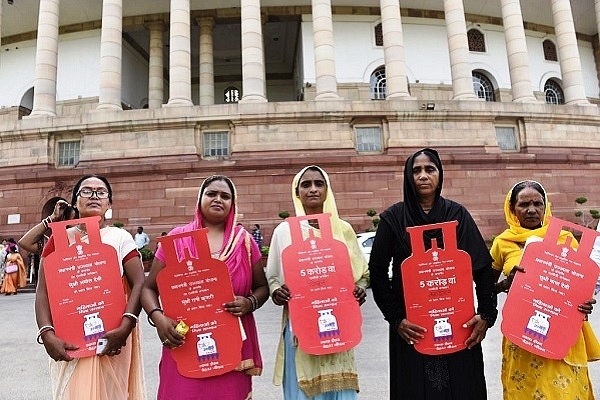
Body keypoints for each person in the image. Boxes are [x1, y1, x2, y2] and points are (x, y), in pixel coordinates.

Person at [368, 148, 497, 399]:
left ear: (440, 175)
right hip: (412, 328)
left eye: (430, 169)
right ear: (408, 176)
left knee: (461, 387)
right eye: (416, 170)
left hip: (459, 324)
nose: (423, 176)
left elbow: (481, 267)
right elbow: (378, 272)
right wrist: (396, 320)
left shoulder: (457, 215)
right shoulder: (394, 218)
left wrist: (486, 314)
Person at [141, 175, 268, 400]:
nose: (218, 199)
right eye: (211, 194)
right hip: (184, 341)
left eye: (225, 196)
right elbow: (149, 288)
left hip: (231, 346)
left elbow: (262, 287)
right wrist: (158, 318)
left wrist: (250, 303)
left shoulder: (244, 242)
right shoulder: (177, 240)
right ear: (200, 199)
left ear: (233, 203)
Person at [34, 175, 146, 400]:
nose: (94, 196)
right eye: (86, 191)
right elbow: (43, 291)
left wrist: (126, 327)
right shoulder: (60, 239)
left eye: (101, 192)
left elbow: (139, 283)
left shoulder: (120, 237)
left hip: (112, 338)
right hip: (70, 337)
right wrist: (46, 333)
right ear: (75, 201)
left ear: (109, 203)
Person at [266, 165, 369, 399]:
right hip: (300, 326)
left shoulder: (343, 230)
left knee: (339, 390)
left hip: (339, 323)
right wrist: (276, 291)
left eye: (319, 184)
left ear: (327, 190)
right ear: (297, 192)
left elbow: (362, 274)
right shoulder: (284, 232)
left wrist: (360, 290)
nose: (313, 189)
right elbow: (272, 276)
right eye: (306, 184)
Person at [490, 180, 599, 399]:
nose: (531, 210)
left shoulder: (565, 240)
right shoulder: (502, 243)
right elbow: (485, 289)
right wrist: (504, 284)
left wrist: (585, 303)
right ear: (512, 209)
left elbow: (579, 285)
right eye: (523, 204)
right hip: (522, 334)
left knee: (564, 392)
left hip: (561, 334)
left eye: (538, 204)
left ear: (545, 206)